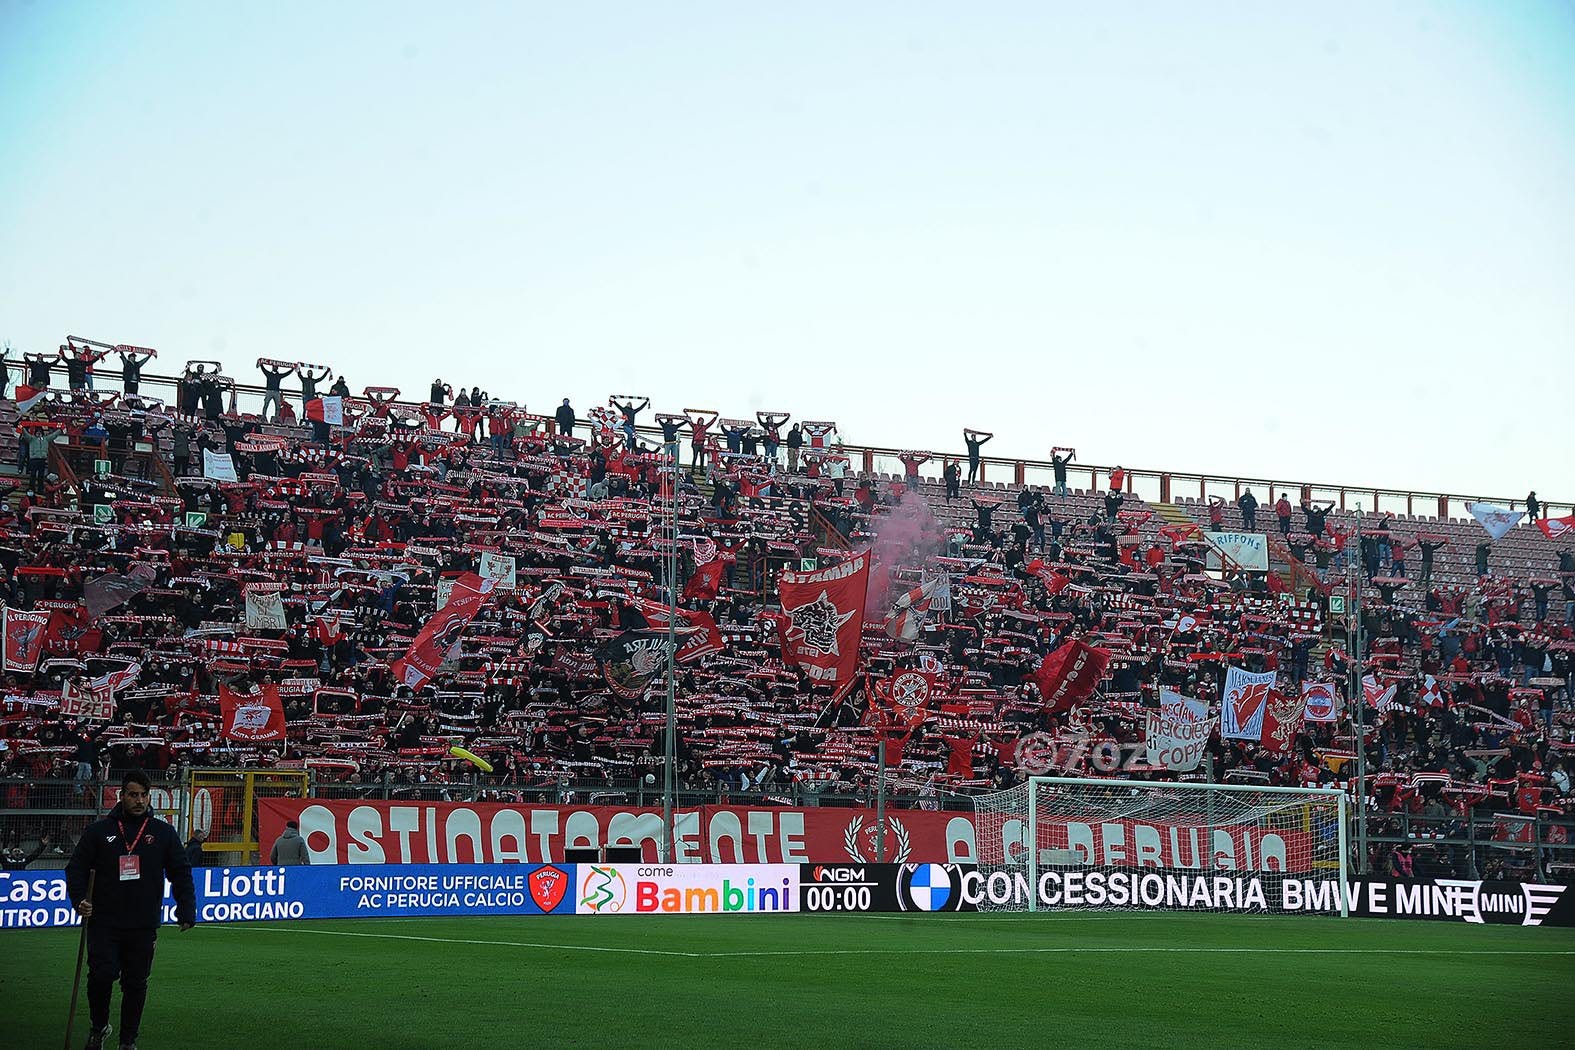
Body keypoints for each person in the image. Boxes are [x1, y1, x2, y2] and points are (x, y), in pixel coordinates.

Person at [66, 770, 196, 1050]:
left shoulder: (162, 832)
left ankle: (128, 1041)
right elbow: (75, 869)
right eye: (133, 795)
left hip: (143, 922)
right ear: (121, 796)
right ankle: (99, 1027)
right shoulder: (99, 831)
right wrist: (79, 899)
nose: (139, 800)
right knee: (102, 975)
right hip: (103, 920)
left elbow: (180, 871)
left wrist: (186, 909)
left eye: (144, 795)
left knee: (135, 983)